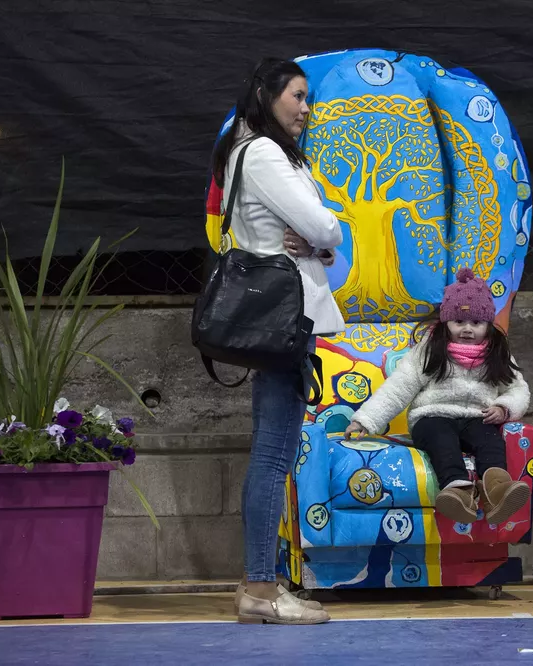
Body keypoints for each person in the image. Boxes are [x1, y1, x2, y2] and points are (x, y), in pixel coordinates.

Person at [211, 58, 344, 625]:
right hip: (284, 323)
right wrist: (322, 237)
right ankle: (261, 590)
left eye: (308, 97)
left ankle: (259, 586)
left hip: (286, 320)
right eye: (296, 95)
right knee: (272, 457)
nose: (305, 107)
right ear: (266, 96)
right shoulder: (263, 153)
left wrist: (320, 241)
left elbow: (321, 240)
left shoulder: (259, 154)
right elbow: (325, 228)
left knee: (274, 454)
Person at [344, 268, 532, 526]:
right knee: (442, 441)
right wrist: (365, 420)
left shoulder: (497, 354)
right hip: (432, 417)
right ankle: (458, 492)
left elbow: (518, 389)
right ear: (446, 322)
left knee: (491, 441)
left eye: (476, 323)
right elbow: (398, 388)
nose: (467, 329)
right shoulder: (431, 350)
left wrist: (504, 407)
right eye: (459, 322)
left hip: (477, 418)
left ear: (488, 325)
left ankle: (497, 490)